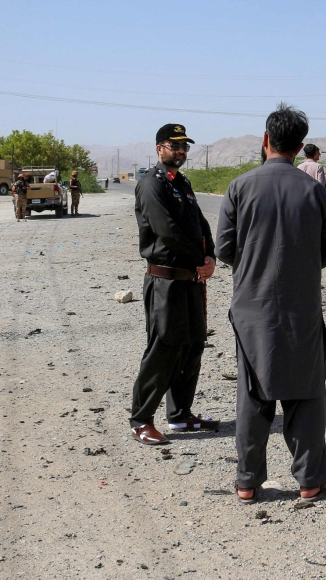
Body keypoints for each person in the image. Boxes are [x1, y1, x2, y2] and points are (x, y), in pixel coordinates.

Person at [215, 103, 326, 505]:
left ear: (266, 140)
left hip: (251, 308)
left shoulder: (240, 187)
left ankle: (247, 483)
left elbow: (223, 248)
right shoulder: (315, 191)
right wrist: (298, 264)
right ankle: (310, 481)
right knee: (305, 394)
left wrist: (256, 266)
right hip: (300, 307)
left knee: (253, 395)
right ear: (300, 145)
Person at [129, 123, 218, 445]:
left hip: (191, 279)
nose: (180, 151)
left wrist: (211, 256)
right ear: (159, 149)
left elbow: (200, 224)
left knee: (192, 344)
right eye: (174, 145)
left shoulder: (181, 182)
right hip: (165, 281)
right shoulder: (151, 185)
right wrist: (200, 258)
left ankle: (180, 415)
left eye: (184, 147)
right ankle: (141, 419)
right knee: (164, 348)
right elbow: (166, 229)